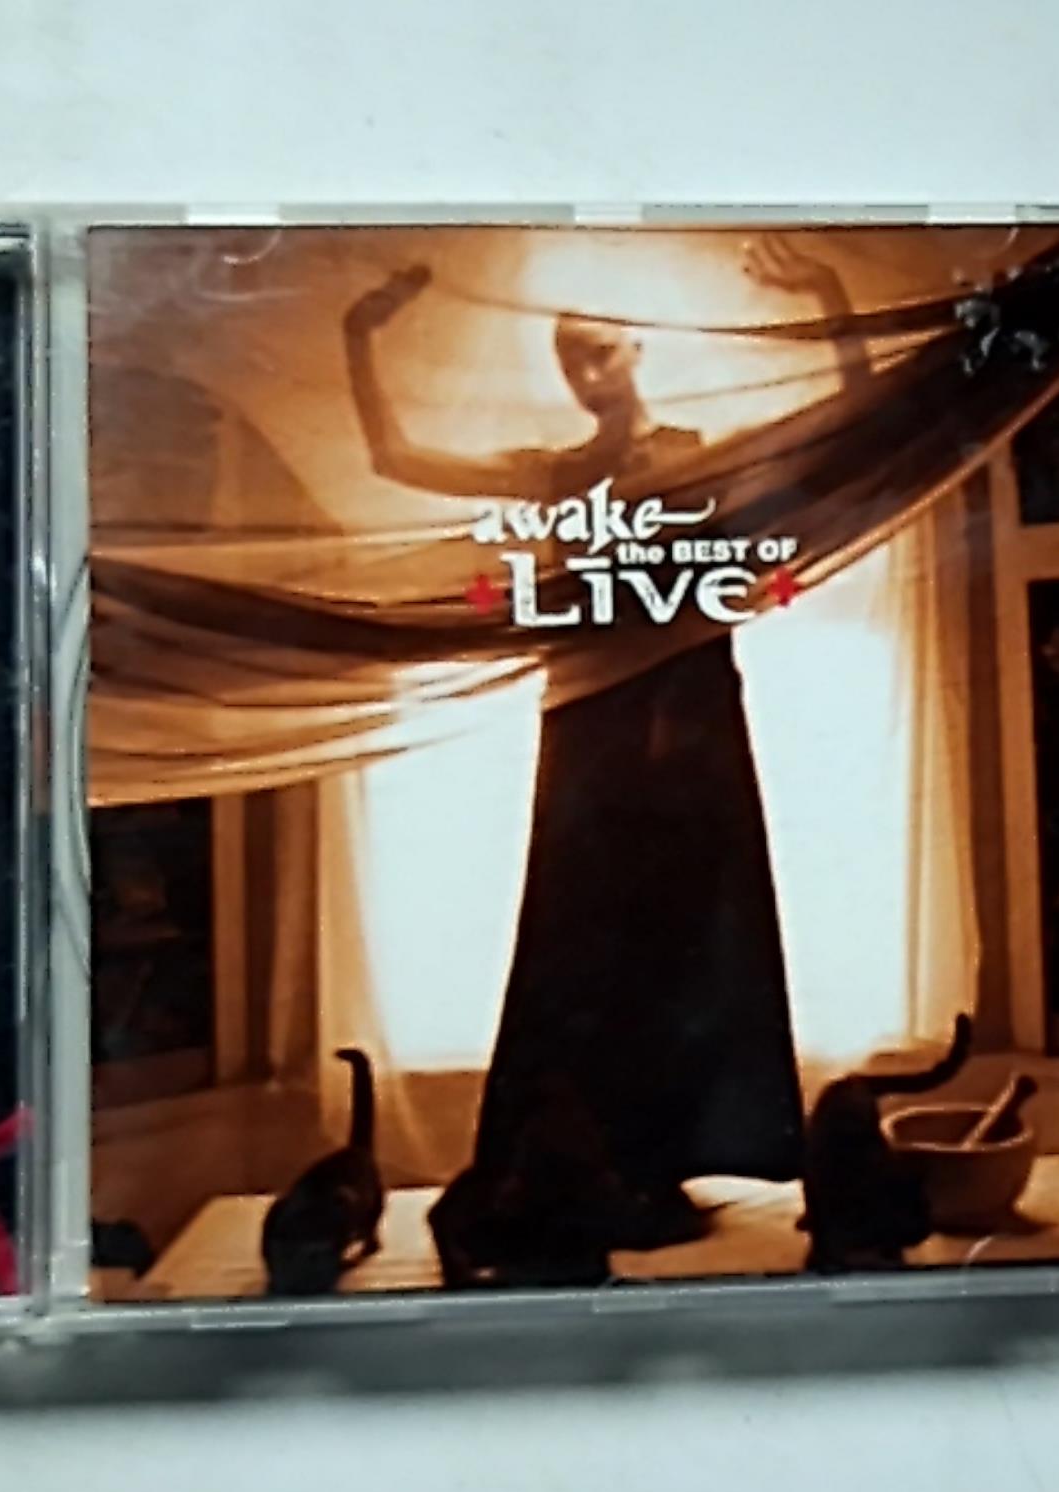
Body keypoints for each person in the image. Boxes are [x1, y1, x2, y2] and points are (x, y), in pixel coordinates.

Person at [344, 236, 860, 1239]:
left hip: (692, 721)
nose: (584, 371)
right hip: (588, 728)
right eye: (567, 358)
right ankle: (581, 1164)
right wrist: (358, 337)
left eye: (598, 349)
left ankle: (663, 1163)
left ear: (634, 351)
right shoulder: (555, 474)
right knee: (580, 945)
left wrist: (829, 295)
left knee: (694, 938)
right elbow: (394, 459)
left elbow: (853, 424)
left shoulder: (700, 456)